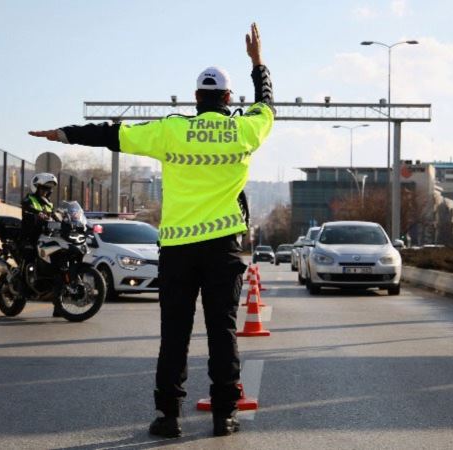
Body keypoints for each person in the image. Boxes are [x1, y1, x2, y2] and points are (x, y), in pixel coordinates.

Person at [29, 23, 274, 437]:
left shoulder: (171, 129)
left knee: (174, 335)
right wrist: (258, 62)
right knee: (223, 331)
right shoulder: (245, 129)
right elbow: (267, 104)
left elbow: (112, 134)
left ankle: (168, 417)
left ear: (197, 98)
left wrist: (64, 134)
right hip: (222, 250)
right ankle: (224, 415)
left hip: (178, 250)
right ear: (229, 99)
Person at [20, 172, 63, 317]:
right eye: (43, 188)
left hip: (45, 237)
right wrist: (37, 212)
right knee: (29, 258)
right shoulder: (29, 199)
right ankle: (22, 286)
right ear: (36, 187)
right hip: (30, 236)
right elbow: (26, 206)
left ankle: (59, 306)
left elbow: (54, 216)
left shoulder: (49, 203)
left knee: (57, 269)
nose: (46, 191)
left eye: (48, 189)